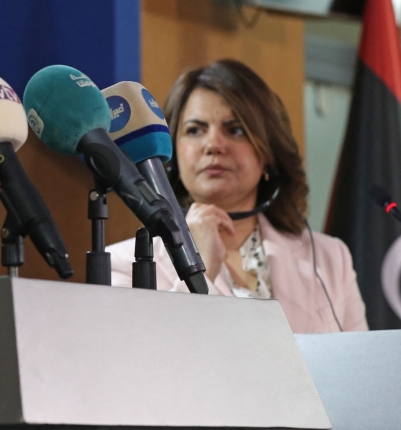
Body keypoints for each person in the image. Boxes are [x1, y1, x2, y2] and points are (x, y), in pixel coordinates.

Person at [107, 59, 367, 333]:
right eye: (194, 130)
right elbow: (143, 362)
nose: (213, 145)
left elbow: (360, 368)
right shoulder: (125, 264)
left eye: (235, 130)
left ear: (268, 154)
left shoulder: (331, 258)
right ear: (173, 154)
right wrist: (201, 268)